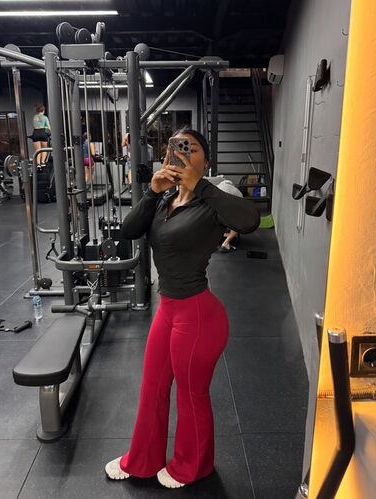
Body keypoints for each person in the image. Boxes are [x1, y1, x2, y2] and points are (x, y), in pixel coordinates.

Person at [105, 128, 260, 488]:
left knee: (191, 395)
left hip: (198, 315)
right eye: (175, 148)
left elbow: (249, 220)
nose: (181, 153)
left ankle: (193, 466)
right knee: (152, 388)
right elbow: (128, 230)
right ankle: (142, 460)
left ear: (205, 159)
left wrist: (201, 185)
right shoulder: (164, 201)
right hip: (168, 310)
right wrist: (152, 191)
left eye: (190, 148)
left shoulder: (213, 202)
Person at [216, 179, 244, 252]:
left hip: (218, 211)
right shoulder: (237, 192)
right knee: (238, 222)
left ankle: (215, 239)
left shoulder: (217, 187)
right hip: (231, 212)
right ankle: (226, 242)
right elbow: (242, 207)